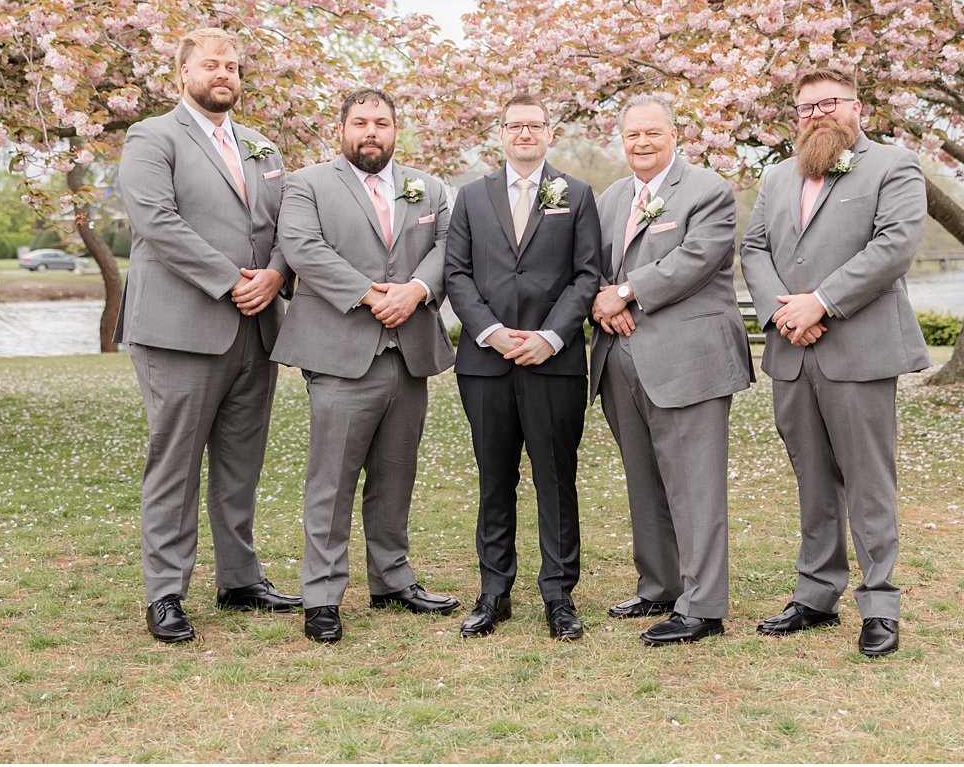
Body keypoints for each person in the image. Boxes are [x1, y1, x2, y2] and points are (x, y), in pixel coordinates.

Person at [116, 26, 301, 644]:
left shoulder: (262, 148)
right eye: (211, 65)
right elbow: (157, 222)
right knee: (175, 463)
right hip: (180, 329)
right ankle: (166, 592)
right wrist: (230, 281)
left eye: (233, 66)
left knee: (240, 463)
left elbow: (290, 228)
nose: (224, 74)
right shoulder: (152, 137)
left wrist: (275, 275)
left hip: (257, 329)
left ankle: (240, 578)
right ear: (182, 73)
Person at [739, 67, 929, 657]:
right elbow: (753, 248)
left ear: (857, 107)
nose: (817, 114)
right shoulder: (775, 177)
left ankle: (880, 605)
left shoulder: (893, 166)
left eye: (828, 103)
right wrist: (784, 314)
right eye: (805, 108)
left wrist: (819, 302)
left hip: (858, 349)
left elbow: (893, 246)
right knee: (813, 480)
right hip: (791, 353)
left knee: (869, 482)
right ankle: (817, 595)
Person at [271, 88, 459, 643]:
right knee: (331, 480)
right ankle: (323, 596)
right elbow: (302, 247)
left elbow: (450, 246)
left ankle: (392, 579)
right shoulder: (307, 184)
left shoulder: (430, 187)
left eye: (381, 122)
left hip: (411, 349)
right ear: (343, 129)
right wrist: (371, 295)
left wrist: (418, 288)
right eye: (360, 122)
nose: (370, 131)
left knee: (396, 473)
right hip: (340, 351)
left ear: (396, 128)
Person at [588, 93, 754, 646]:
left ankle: (703, 605)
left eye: (652, 133)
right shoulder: (611, 197)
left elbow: (697, 259)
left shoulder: (707, 191)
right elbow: (591, 267)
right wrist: (600, 302)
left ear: (674, 135)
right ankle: (659, 584)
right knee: (644, 479)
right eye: (632, 134)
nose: (642, 143)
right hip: (619, 358)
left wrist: (626, 294)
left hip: (689, 360)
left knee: (695, 485)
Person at [443, 93, 602, 641]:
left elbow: (587, 276)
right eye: (515, 126)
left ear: (549, 132)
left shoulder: (576, 196)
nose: (525, 133)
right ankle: (494, 592)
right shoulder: (469, 198)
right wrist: (490, 332)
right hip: (485, 363)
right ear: (501, 133)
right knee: (495, 478)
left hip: (552, 364)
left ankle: (559, 595)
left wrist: (551, 337)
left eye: (535, 125)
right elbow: (457, 274)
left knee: (556, 479)